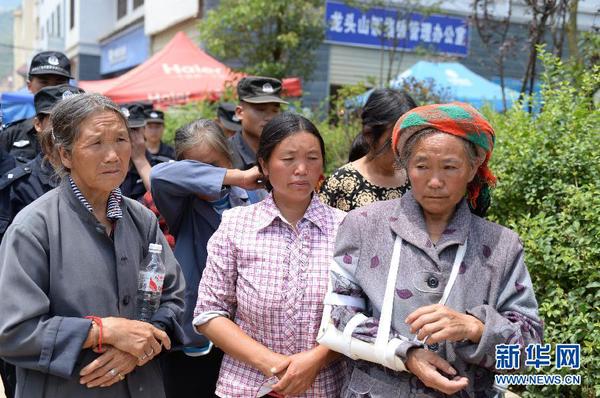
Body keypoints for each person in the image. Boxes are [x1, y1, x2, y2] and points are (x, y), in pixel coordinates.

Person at [322, 102, 543, 397]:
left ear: (473, 167)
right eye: (422, 166)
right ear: (405, 165)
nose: (435, 182)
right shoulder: (364, 225)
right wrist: (406, 355)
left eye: (450, 167)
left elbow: (529, 351)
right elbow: (336, 320)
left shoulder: (501, 245)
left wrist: (475, 328)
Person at [0, 93, 185, 397]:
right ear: (65, 155)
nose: (113, 155)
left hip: (141, 384)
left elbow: (174, 298)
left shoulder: (141, 219)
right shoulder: (34, 227)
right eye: (97, 143)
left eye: (121, 140)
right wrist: (103, 332)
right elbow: (13, 332)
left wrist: (137, 347)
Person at [194, 113, 347, 397]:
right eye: (288, 159)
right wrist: (272, 364)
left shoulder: (345, 228)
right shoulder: (236, 224)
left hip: (325, 387)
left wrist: (315, 360)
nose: (301, 169)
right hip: (246, 386)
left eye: (312, 158)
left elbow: (359, 314)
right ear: (263, 164)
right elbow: (210, 312)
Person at [151, 119, 265, 397]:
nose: (207, 177)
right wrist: (234, 176)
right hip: (193, 331)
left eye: (214, 165)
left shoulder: (255, 198)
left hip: (244, 330)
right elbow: (159, 175)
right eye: (196, 168)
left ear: (229, 157)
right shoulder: (181, 203)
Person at [319, 89, 416, 211]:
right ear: (369, 135)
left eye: (409, 138)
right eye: (394, 140)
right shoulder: (340, 183)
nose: (403, 148)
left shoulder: (415, 178)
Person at [6, 84, 85, 223]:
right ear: (38, 124)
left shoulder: (100, 176)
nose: (70, 128)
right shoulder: (21, 186)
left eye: (79, 120)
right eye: (59, 120)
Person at [0, 51, 71, 164]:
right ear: (29, 86)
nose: (51, 90)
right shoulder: (11, 134)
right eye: (44, 83)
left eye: (59, 83)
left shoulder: (80, 133)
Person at [229, 76, 287, 170]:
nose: (270, 117)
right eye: (261, 110)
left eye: (275, 110)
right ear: (240, 113)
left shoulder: (285, 152)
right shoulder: (224, 154)